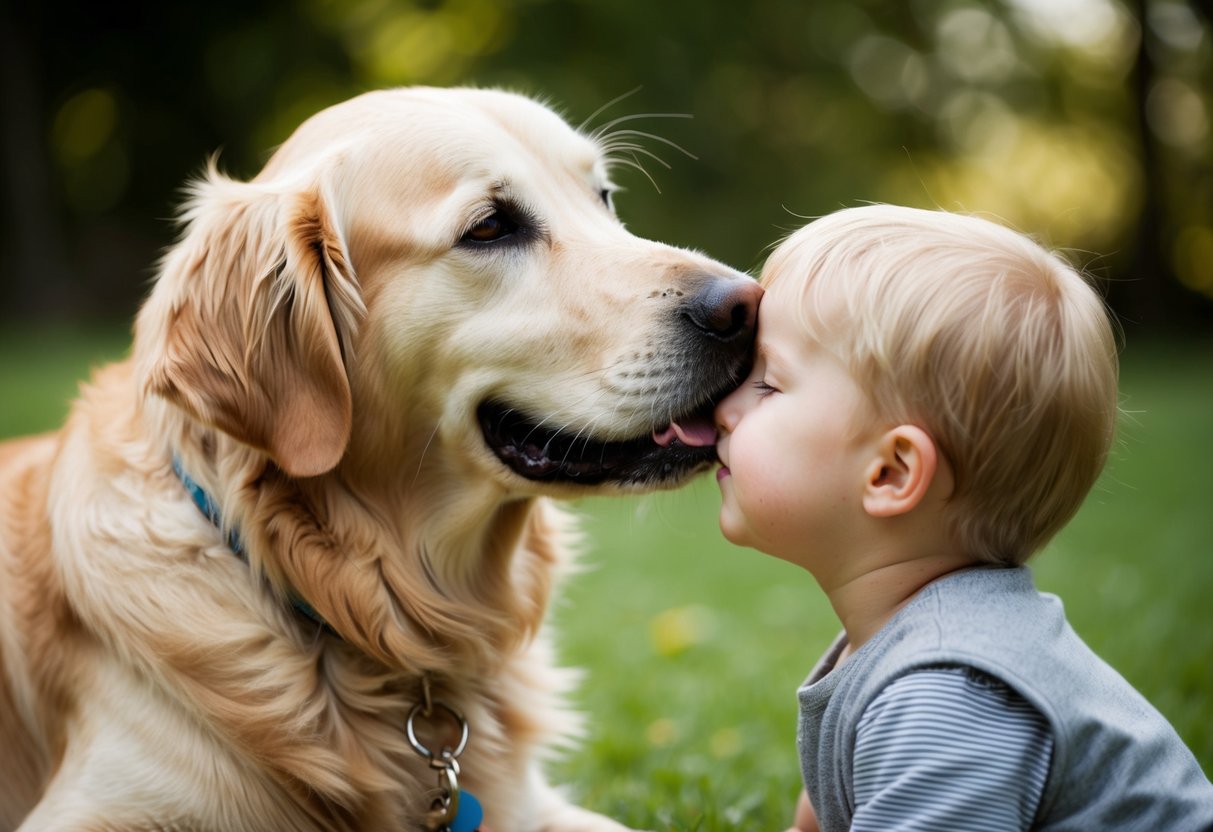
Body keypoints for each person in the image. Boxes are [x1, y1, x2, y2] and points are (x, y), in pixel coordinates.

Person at [712, 205, 1213, 831]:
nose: (725, 406)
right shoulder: (896, 648)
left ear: (891, 473)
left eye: (768, 384)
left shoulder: (947, 693)